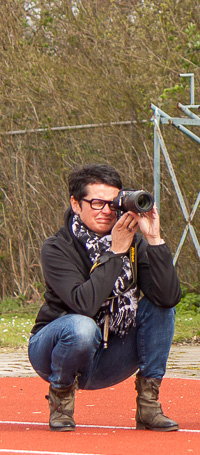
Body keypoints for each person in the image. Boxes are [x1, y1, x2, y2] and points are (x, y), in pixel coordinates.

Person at [28, 164, 182, 432]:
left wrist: (154, 239)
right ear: (76, 204)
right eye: (97, 203)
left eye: (113, 204)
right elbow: (83, 305)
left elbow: (168, 299)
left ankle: (149, 406)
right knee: (81, 326)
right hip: (56, 352)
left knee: (160, 309)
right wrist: (115, 252)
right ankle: (61, 401)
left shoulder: (133, 241)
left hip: (110, 356)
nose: (107, 212)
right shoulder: (57, 247)